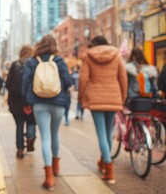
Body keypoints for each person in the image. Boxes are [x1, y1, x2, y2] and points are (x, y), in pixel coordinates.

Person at [22, 35, 72, 191]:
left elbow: (25, 82)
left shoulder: (32, 61)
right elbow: (68, 81)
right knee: (55, 134)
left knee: (45, 137)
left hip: (39, 103)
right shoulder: (59, 60)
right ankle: (56, 168)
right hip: (58, 103)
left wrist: (26, 102)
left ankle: (49, 177)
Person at [78, 36, 127, 185]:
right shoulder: (117, 55)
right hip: (113, 96)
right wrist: (122, 98)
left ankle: (109, 169)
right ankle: (103, 162)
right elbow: (123, 78)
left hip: (96, 98)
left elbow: (83, 79)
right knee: (107, 133)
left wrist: (81, 97)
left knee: (101, 134)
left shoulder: (88, 56)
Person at [6, 45, 36, 159]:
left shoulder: (15, 64)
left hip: (16, 102)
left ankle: (20, 150)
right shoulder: (34, 64)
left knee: (19, 126)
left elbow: (8, 83)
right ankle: (30, 136)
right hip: (30, 101)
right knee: (31, 122)